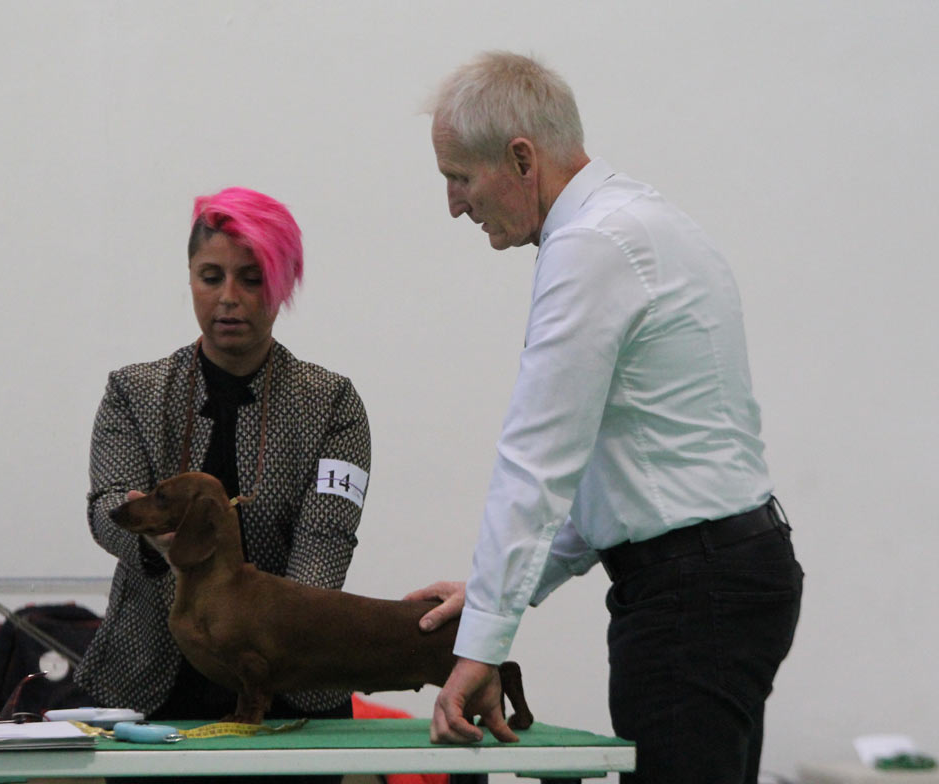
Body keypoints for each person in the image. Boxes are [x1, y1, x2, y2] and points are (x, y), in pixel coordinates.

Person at [406, 52, 803, 784]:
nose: (455, 204)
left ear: (522, 158)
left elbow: (538, 458)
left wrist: (483, 645)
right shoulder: (640, 221)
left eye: (459, 177)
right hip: (727, 575)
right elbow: (615, 477)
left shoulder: (592, 246)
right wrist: (496, 594)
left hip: (694, 594)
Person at [74, 187, 371, 784]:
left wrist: (264, 646)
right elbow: (108, 506)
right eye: (211, 276)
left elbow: (328, 538)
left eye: (253, 278)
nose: (228, 298)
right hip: (150, 687)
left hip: (290, 687)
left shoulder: (334, 403)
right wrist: (149, 536)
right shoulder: (132, 391)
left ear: (284, 283)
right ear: (190, 278)